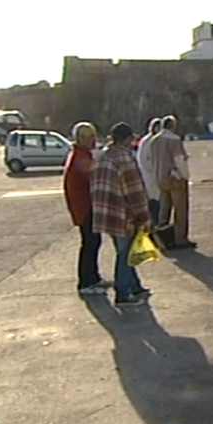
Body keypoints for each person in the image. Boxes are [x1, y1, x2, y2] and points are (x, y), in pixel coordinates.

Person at [91, 122, 152, 307]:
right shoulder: (125, 159)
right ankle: (123, 294)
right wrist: (145, 217)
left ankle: (135, 287)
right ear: (127, 139)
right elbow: (135, 192)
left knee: (124, 251)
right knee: (125, 255)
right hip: (122, 215)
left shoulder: (102, 155)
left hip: (104, 212)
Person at [63, 122, 110, 294]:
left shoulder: (81, 154)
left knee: (94, 241)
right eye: (90, 137)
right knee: (90, 243)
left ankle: (94, 277)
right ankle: (86, 282)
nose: (94, 140)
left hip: (85, 205)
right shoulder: (80, 157)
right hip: (84, 207)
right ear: (81, 138)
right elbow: (93, 176)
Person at [153, 115, 196, 249]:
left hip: (160, 178)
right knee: (180, 209)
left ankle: (162, 235)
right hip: (175, 179)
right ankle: (180, 239)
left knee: (164, 208)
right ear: (172, 126)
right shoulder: (174, 140)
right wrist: (186, 176)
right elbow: (179, 160)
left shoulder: (155, 140)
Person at [136, 118, 163, 224]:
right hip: (150, 176)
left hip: (150, 176)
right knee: (154, 204)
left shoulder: (149, 140)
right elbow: (146, 159)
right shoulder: (150, 141)